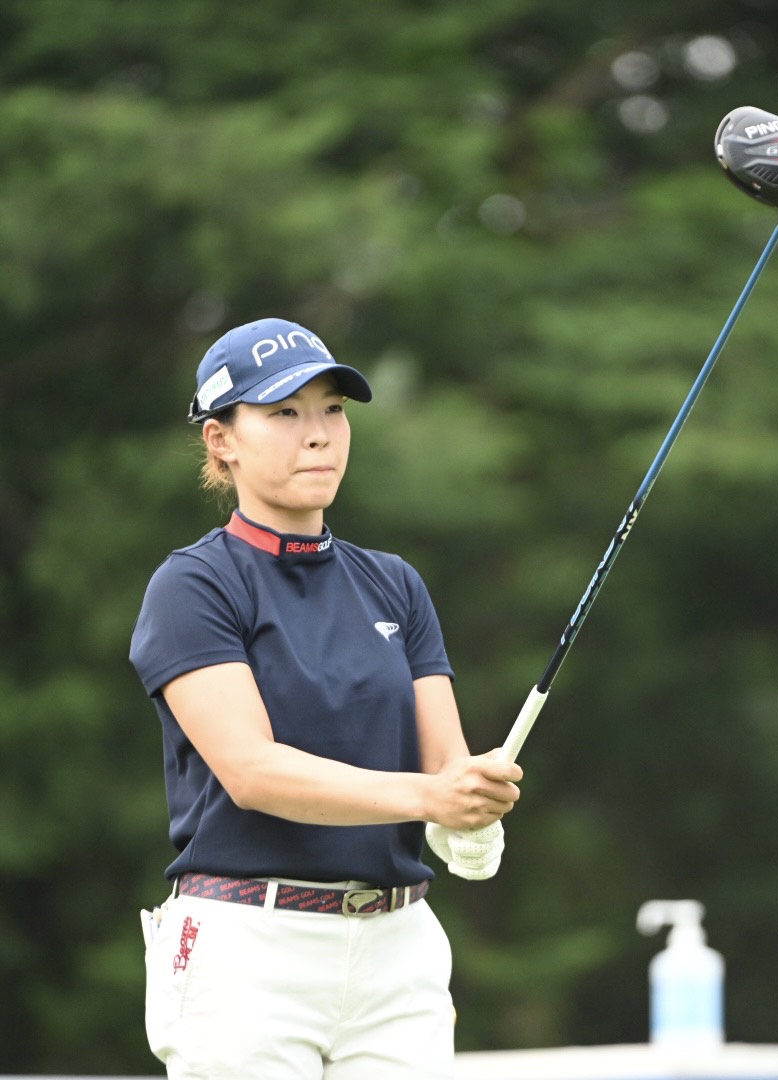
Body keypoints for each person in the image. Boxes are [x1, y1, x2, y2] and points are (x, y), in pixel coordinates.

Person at [129, 317, 523, 1079]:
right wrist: (433, 796)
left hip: (397, 954)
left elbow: (447, 768)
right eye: (284, 413)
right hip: (246, 950)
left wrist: (476, 809)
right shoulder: (194, 586)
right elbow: (254, 772)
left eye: (332, 410)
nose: (318, 434)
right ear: (222, 440)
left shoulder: (395, 584)